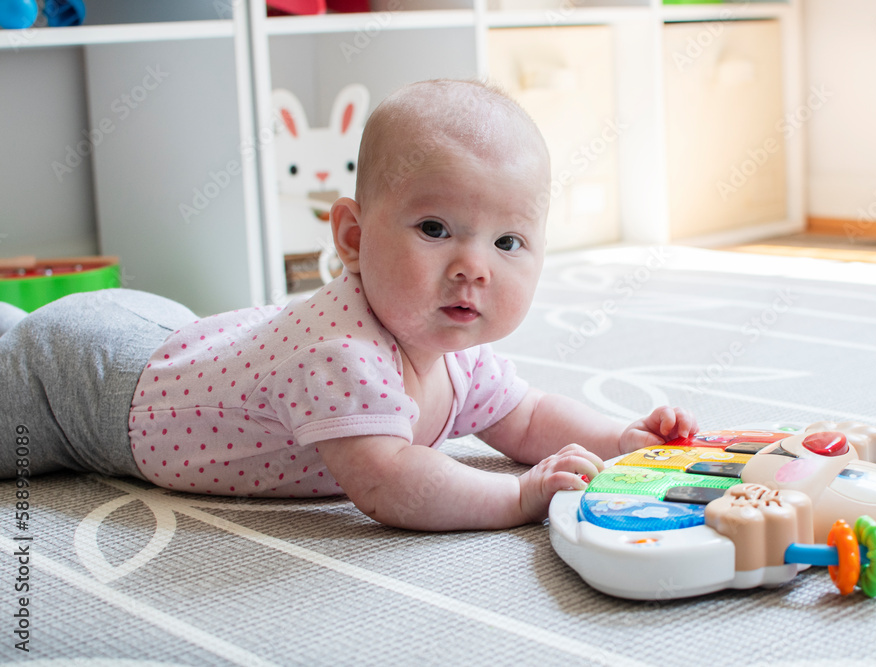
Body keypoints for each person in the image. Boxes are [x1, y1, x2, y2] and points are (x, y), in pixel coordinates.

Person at [0, 79, 695, 531]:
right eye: (435, 229)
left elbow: (528, 416)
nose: (473, 268)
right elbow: (390, 482)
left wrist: (620, 442)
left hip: (165, 339)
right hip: (86, 389)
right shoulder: (342, 354)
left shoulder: (453, 349)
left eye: (508, 241)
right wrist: (517, 497)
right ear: (354, 239)